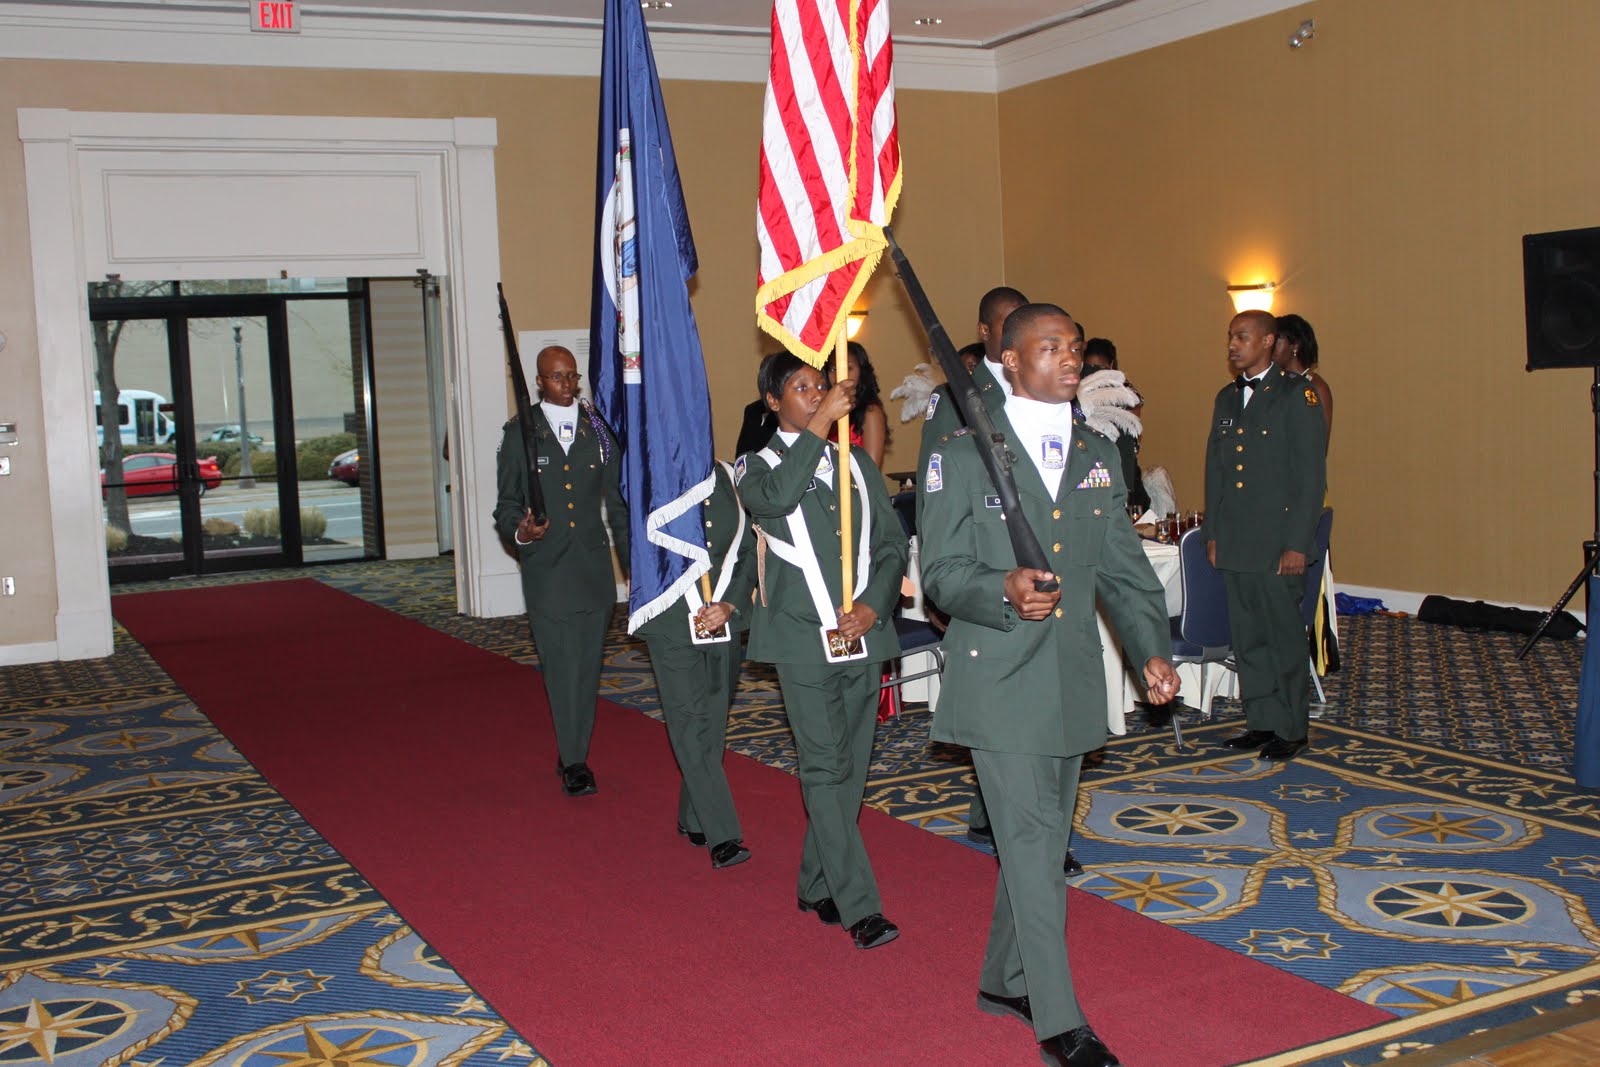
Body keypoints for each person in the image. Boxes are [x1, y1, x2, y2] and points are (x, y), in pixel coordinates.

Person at [920, 303, 1179, 1067]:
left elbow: (1126, 576)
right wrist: (1000, 586)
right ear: (1009, 361)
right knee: (1033, 843)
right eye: (1052, 347)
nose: (1072, 359)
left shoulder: (1097, 454)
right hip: (997, 675)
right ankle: (1060, 1021)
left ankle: (1005, 977)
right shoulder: (964, 456)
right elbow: (940, 573)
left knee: (1040, 838)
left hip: (1069, 677)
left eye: (1074, 346)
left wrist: (1150, 653)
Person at [736, 351, 909, 950]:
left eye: (820, 385)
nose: (816, 393)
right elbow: (776, 501)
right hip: (800, 638)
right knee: (824, 765)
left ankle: (815, 881)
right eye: (801, 387)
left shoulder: (856, 462)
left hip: (861, 634)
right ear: (773, 403)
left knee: (851, 769)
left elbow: (891, 545)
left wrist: (871, 605)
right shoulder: (753, 468)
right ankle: (858, 902)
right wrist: (815, 429)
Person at [492, 345, 629, 797]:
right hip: (547, 567)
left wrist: (632, 568)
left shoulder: (599, 430)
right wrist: (523, 533)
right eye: (556, 377)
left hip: (592, 566)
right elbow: (507, 506)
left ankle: (574, 750)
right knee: (560, 665)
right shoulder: (521, 433)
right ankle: (574, 761)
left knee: (588, 666)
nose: (567, 385)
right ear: (538, 381)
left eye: (572, 376)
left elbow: (618, 503)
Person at [1203, 310, 1327, 762]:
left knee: (1283, 639)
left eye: (1242, 337)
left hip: (1277, 542)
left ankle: (1292, 727)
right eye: (1230, 337)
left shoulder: (1298, 395)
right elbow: (1216, 471)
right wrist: (1213, 533)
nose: (1233, 345)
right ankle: (1261, 721)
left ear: (1269, 341)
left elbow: (1310, 478)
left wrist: (1298, 543)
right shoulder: (1226, 398)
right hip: (1236, 540)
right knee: (1248, 638)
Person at [636, 460, 756, 869]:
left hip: (723, 618)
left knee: (712, 723)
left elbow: (748, 552)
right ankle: (723, 832)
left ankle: (694, 814)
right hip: (670, 620)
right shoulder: (646, 478)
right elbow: (633, 540)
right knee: (689, 721)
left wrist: (731, 602)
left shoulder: (728, 475)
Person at [1080, 337, 1148, 514]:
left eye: (1100, 370)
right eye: (1090, 370)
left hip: (1121, 467)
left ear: (1111, 366)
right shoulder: (1072, 390)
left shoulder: (1123, 390)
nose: (1095, 376)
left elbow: (1132, 424)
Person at [822, 341, 890, 468]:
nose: (839, 374)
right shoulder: (823, 411)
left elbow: (871, 472)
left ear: (861, 371)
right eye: (833, 369)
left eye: (848, 368)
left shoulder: (870, 412)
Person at [1272, 313, 1332, 446]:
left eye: (1277, 341)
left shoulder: (1316, 387)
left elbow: (1319, 445)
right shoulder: (1271, 383)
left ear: (1295, 346)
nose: (1270, 347)